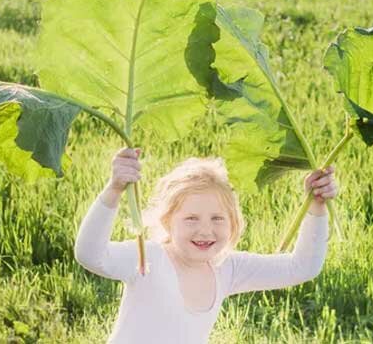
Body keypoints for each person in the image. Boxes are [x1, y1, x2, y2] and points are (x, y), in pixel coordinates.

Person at [74, 147, 338, 344]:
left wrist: (316, 205)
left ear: (232, 222)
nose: (205, 230)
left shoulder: (227, 268)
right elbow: (90, 254)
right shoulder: (149, 258)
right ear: (167, 221)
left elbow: (302, 267)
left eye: (217, 219)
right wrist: (114, 189)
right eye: (191, 219)